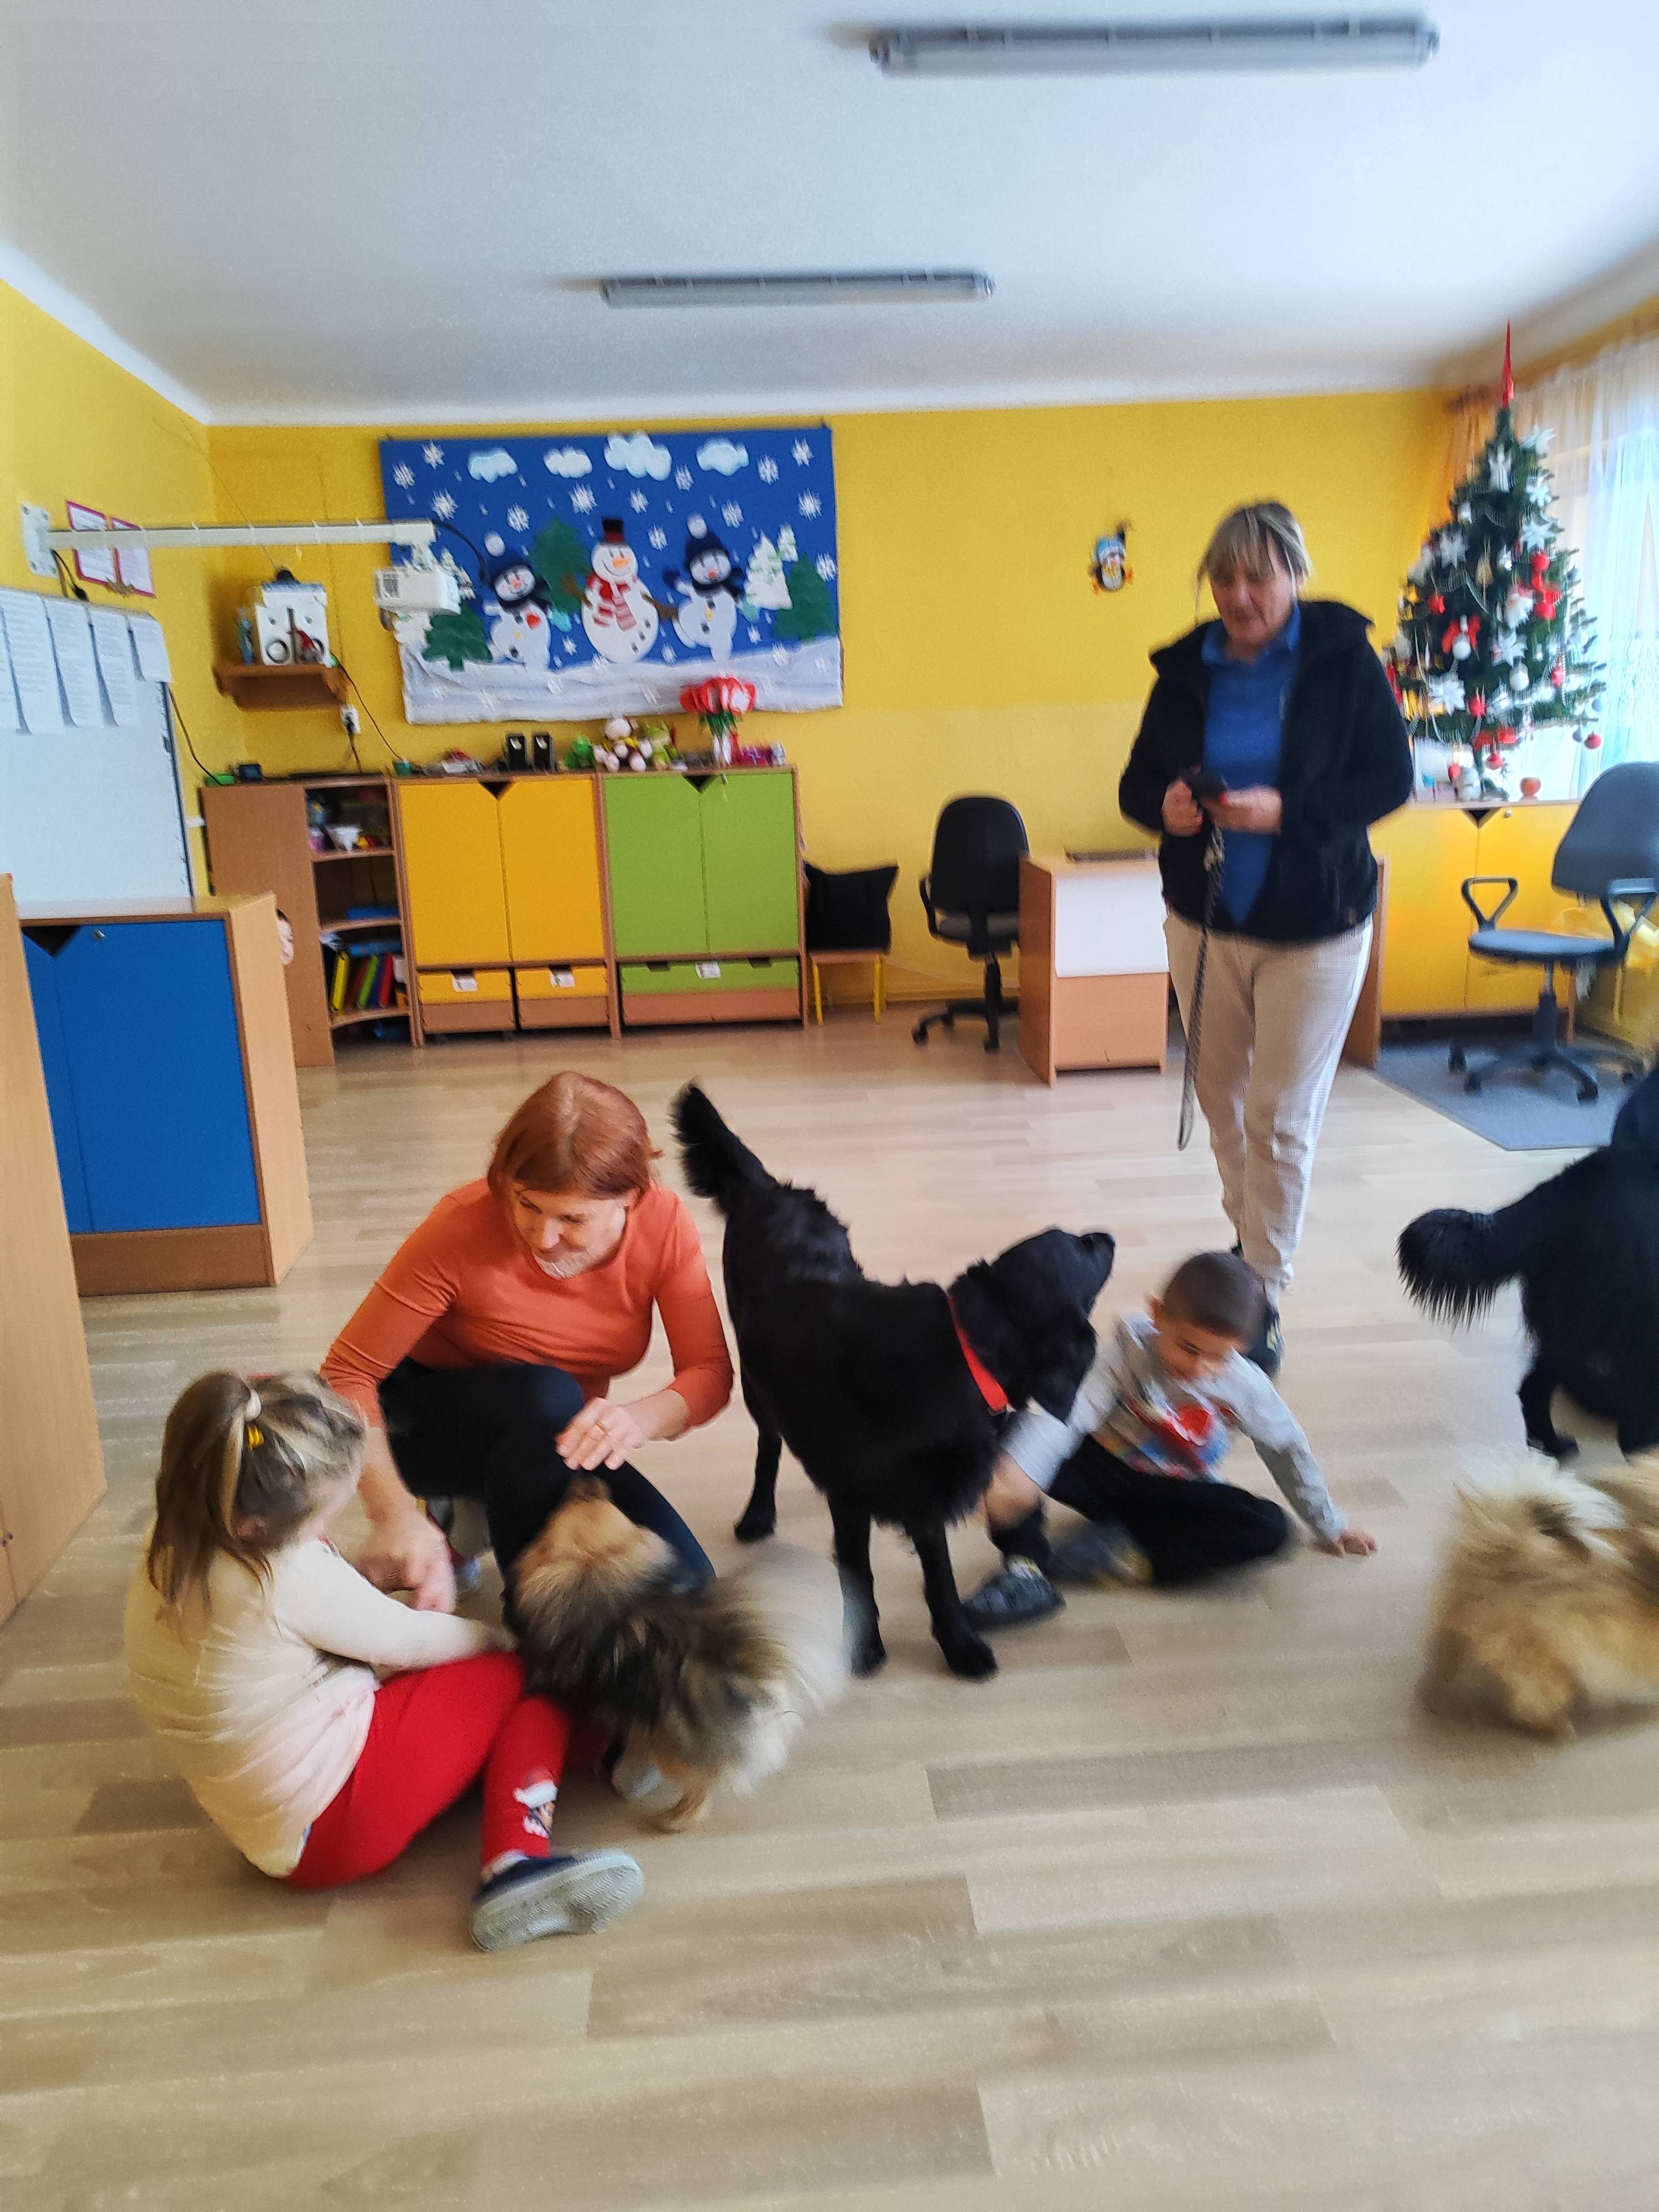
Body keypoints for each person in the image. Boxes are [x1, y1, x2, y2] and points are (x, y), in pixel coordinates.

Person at [123, 1370, 643, 1949]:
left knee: (469, 1698)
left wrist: (361, 1585)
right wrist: (495, 1640)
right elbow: (413, 1642)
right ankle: (516, 1862)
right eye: (320, 1518)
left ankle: (585, 1751)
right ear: (255, 1526)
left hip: (263, 1817)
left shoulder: (183, 1531)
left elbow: (294, 1629)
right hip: (331, 1826)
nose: (323, 1529)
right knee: (522, 1675)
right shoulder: (281, 1576)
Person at [1118, 503, 1412, 1374]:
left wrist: (1288, 813)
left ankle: (1260, 1296)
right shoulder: (1185, 670)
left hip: (1316, 929)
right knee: (1223, 1104)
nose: (1240, 595)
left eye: (1259, 576)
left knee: (1279, 1120)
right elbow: (1136, 784)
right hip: (1205, 922)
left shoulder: (1343, 660)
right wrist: (1165, 807)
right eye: (1224, 578)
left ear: (1295, 574)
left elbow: (1390, 780)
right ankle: (1249, 1251)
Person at [322, 1071, 733, 1614]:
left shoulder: (665, 1224)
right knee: (546, 1395)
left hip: (555, 1434)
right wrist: (392, 1514)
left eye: (573, 1218)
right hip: (428, 1421)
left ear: (630, 1199)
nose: (543, 1236)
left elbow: (708, 1373)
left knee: (691, 1588)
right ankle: (525, 1612)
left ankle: (468, 1520)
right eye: (527, 1204)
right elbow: (346, 1373)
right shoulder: (461, 1225)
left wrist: (637, 1420)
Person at [964, 1251, 1376, 1629]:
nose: (1200, 1368)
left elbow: (1288, 1451)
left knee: (1271, 1528)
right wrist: (1019, 1472)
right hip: (1103, 1474)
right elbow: (1069, 1415)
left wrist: (1329, 1522)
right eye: (1188, 1348)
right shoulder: (1126, 1351)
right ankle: (1026, 1567)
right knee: (1006, 1426)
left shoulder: (1247, 1388)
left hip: (1176, 1493)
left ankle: (1130, 1554)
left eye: (1220, 1357)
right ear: (1158, 1314)